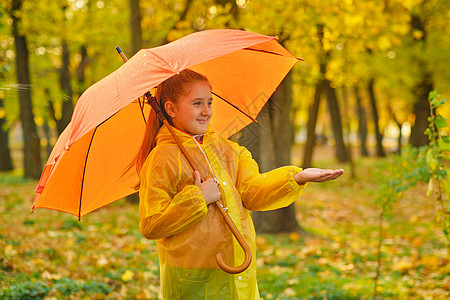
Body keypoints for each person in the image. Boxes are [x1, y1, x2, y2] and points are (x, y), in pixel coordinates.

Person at [135, 69, 344, 299]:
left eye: (209, 103)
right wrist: (198, 198)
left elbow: (252, 192)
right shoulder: (161, 159)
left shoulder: (228, 150)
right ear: (171, 108)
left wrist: (296, 178)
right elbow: (151, 224)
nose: (206, 112)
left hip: (237, 269)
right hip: (192, 279)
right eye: (197, 103)